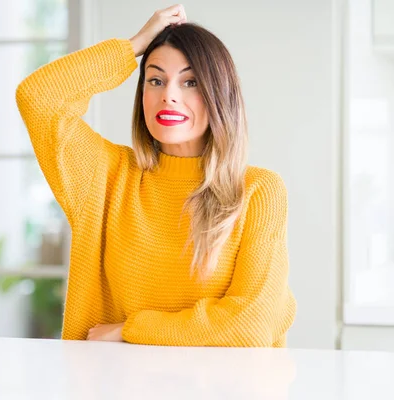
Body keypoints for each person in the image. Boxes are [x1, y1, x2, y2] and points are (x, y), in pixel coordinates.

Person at [16, 4, 296, 347]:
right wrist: (134, 45)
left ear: (219, 96)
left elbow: (251, 324)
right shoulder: (107, 176)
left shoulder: (258, 192)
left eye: (190, 81)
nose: (169, 96)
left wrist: (130, 330)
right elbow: (39, 98)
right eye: (155, 79)